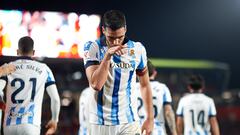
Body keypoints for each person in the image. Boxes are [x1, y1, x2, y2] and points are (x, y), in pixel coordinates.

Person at [83, 10, 154, 135]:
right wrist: (107, 56)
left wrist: (149, 118)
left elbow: (145, 84)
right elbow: (96, 84)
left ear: (125, 29)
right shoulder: (92, 47)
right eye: (111, 38)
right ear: (103, 30)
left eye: (119, 38)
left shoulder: (137, 49)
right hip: (100, 122)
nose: (116, 42)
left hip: (129, 121)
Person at [0, 36, 61, 135]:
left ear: (17, 51)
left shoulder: (7, 67)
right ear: (33, 52)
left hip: (9, 124)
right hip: (31, 124)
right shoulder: (44, 69)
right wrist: (54, 120)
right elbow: (55, 99)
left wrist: (0, 100)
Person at [136, 60, 177, 135]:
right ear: (155, 73)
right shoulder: (162, 88)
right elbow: (168, 112)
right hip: (158, 131)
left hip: (139, 130)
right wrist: (174, 132)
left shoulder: (133, 88)